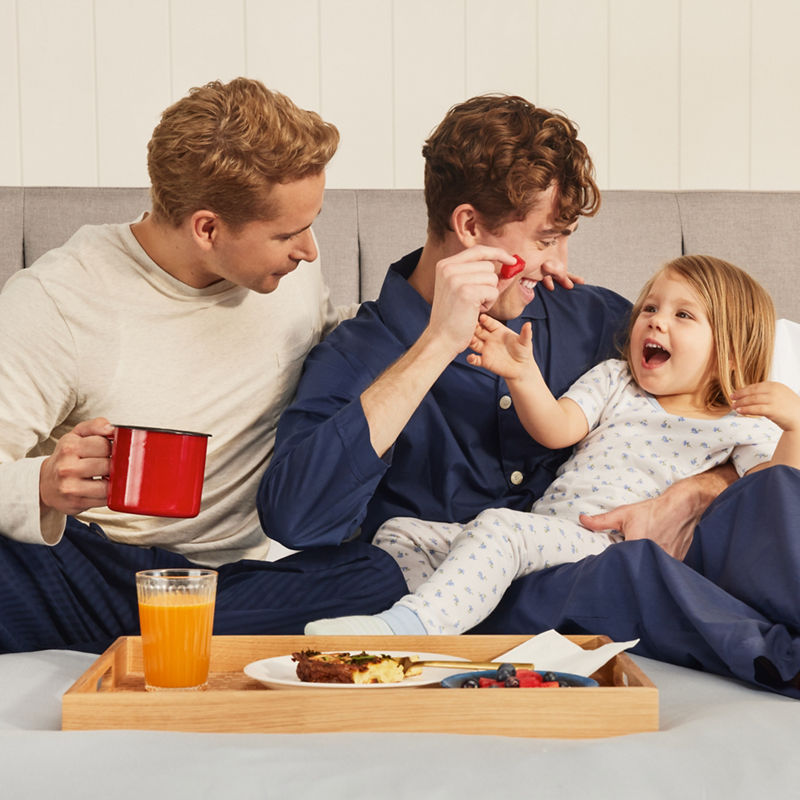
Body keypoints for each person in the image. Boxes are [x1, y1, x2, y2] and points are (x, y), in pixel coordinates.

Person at [260, 94, 800, 697]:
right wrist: (437, 343)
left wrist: (692, 493)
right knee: (243, 600)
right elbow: (297, 519)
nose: (560, 264)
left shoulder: (594, 320)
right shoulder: (359, 353)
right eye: (546, 240)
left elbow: (707, 407)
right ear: (469, 228)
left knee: (753, 506)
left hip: (588, 564)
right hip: (436, 579)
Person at [0, 77, 406, 654]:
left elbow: (336, 351)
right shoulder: (59, 301)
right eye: (288, 233)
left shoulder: (288, 274)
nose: (310, 250)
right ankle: (156, 638)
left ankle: (161, 640)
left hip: (236, 582)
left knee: (388, 573)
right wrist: (41, 483)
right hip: (103, 569)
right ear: (207, 228)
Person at [305, 254, 800, 635]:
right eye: (651, 307)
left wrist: (795, 430)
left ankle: (405, 631)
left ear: (731, 347)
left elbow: (761, 498)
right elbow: (558, 427)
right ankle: (438, 624)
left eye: (683, 315)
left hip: (608, 549)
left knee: (501, 528)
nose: (654, 321)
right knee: (401, 532)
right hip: (550, 532)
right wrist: (523, 375)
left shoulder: (741, 424)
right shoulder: (617, 380)